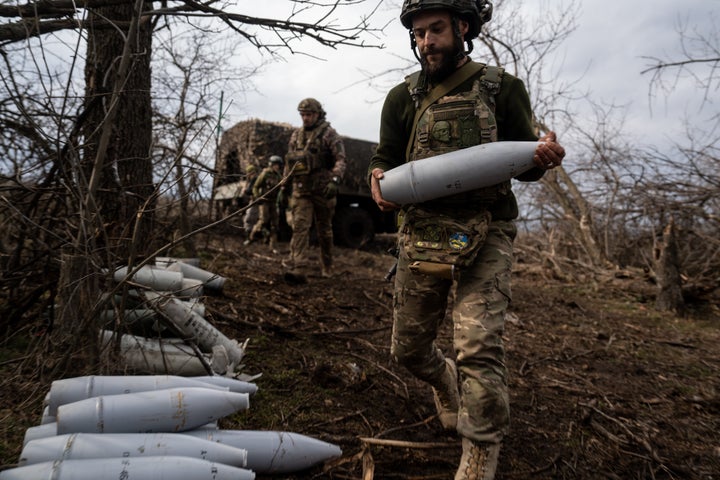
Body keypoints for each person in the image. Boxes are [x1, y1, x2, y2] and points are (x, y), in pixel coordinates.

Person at [368, 1, 566, 479]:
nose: (426, 42)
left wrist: (541, 158)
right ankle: (444, 381)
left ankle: (480, 449)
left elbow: (524, 166)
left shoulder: (503, 88)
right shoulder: (401, 97)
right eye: (418, 34)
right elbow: (386, 155)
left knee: (477, 345)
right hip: (421, 233)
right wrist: (377, 176)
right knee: (409, 351)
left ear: (462, 27)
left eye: (435, 30)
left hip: (487, 228)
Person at [282, 98, 346, 279]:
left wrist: (335, 179)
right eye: (302, 115)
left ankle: (327, 265)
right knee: (300, 227)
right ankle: (299, 267)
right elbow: (290, 162)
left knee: (324, 230)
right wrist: (283, 185)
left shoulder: (329, 134)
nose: (305, 118)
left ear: (317, 114)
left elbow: (341, 159)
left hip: (323, 189)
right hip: (301, 189)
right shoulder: (296, 136)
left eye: (308, 114)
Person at [248, 155, 284, 250]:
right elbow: (255, 186)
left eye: (278, 165)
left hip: (273, 202)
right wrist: (258, 197)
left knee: (275, 224)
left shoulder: (279, 176)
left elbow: (281, 187)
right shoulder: (265, 174)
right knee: (263, 220)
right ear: (271, 165)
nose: (277, 167)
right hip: (264, 201)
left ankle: (273, 246)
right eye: (275, 165)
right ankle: (252, 236)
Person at [241, 164, 259, 242]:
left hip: (255, 201)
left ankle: (249, 238)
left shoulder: (254, 179)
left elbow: (250, 191)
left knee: (248, 219)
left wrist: (244, 190)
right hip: (256, 201)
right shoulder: (256, 178)